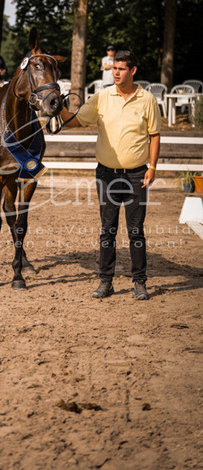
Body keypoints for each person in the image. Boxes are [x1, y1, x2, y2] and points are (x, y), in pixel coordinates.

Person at [60, 50, 161, 301]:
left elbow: (154, 135)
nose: (116, 73)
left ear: (133, 71)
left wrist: (152, 167)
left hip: (137, 175)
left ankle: (139, 282)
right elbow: (74, 121)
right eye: (114, 68)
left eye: (121, 68)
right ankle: (106, 281)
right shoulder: (102, 97)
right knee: (108, 230)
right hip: (106, 175)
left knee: (136, 231)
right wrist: (57, 108)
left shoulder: (147, 99)